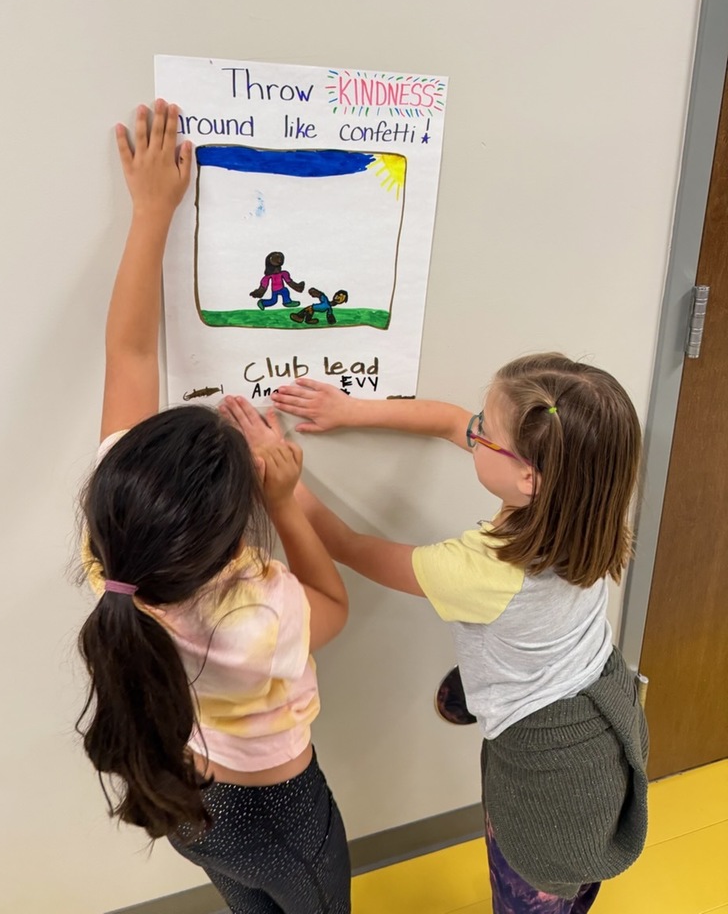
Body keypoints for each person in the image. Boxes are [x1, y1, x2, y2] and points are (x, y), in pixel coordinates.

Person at [225, 355, 649, 914]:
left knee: (533, 884)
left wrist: (281, 486)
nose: (472, 431)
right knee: (578, 870)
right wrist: (350, 409)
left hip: (550, 769)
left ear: (529, 477)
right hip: (601, 708)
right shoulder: (587, 502)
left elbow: (349, 546)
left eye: (486, 433)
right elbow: (452, 421)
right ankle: (470, 692)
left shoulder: (480, 570)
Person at [75, 100, 351, 914]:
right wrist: (288, 498)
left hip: (188, 796)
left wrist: (150, 212)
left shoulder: (113, 547)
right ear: (239, 530)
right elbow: (336, 604)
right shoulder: (260, 614)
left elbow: (127, 351)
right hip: (281, 813)